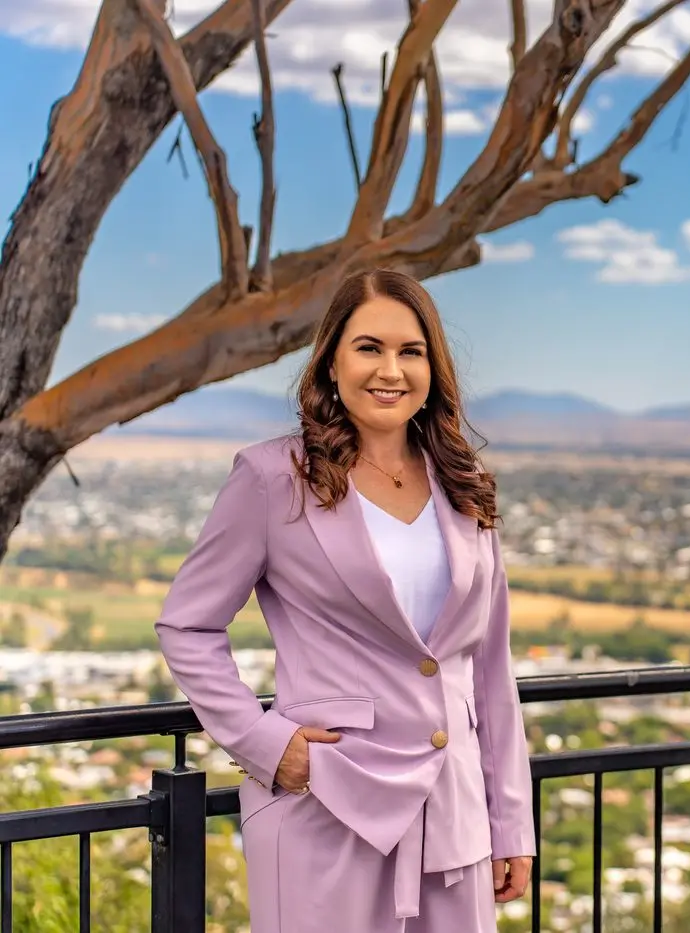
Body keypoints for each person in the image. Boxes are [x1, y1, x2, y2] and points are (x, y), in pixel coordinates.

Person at [154, 269, 535, 932]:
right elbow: (187, 624)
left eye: (410, 351)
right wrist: (265, 742)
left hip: (455, 819)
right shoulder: (272, 479)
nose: (390, 369)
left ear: (433, 368)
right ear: (331, 359)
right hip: (326, 805)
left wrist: (511, 821)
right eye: (369, 347)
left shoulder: (465, 485)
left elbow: (489, 671)